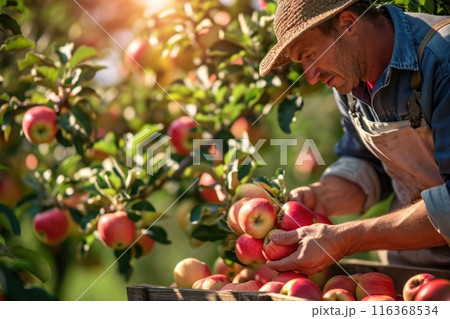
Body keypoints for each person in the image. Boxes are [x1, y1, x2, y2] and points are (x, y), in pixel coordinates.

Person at [259, 0, 450, 275]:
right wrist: (318, 197)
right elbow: (368, 164)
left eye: (310, 55)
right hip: (411, 271)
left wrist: (345, 239)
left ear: (348, 25)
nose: (310, 77)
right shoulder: (349, 78)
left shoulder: (441, 59)